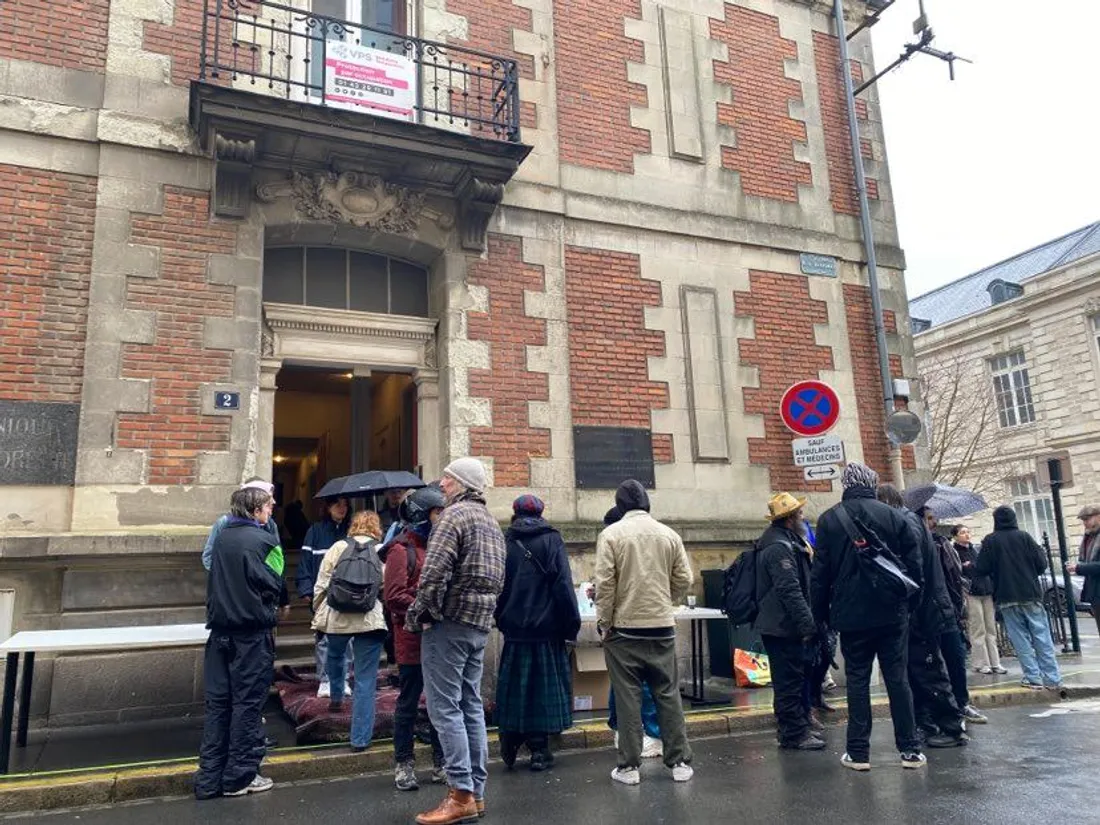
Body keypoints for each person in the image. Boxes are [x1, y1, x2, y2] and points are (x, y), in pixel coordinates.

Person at [405, 458, 505, 825]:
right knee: (470, 707)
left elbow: (434, 574)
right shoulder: (491, 522)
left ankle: (460, 793)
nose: (442, 485)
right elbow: (499, 578)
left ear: (461, 483)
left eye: (447, 479)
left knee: (445, 708)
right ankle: (475, 793)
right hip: (479, 624)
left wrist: (419, 615)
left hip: (449, 622)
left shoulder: (453, 516)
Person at [811, 463, 924, 772]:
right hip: (892, 611)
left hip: (851, 614)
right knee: (897, 679)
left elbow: (820, 576)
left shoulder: (829, 520)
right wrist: (910, 605)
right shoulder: (895, 516)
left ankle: (858, 752)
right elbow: (915, 569)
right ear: (873, 483)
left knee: (858, 680)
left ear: (845, 485)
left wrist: (818, 616)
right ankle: (910, 750)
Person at [595, 479, 694, 786]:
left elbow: (605, 585)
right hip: (662, 626)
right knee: (667, 693)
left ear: (619, 505)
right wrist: (669, 602)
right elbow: (684, 579)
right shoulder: (669, 535)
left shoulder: (611, 535)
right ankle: (678, 762)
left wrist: (605, 621)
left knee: (627, 698)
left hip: (624, 629)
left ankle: (629, 767)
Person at [194, 486, 284, 799]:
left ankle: (208, 780)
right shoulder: (265, 540)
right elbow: (276, 580)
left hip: (219, 633)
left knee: (219, 705)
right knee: (247, 705)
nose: (271, 511)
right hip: (251, 634)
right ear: (257, 511)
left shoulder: (221, 539)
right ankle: (239, 777)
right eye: (268, 507)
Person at [877, 484, 969, 748]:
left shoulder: (908, 525)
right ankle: (929, 723)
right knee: (919, 670)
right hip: (924, 607)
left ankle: (952, 727)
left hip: (922, 610)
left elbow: (914, 571)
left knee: (929, 669)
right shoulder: (910, 522)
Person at [494, 495, 582, 772]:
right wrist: (571, 624)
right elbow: (564, 586)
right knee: (542, 690)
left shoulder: (505, 541)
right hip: (546, 628)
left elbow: (497, 585)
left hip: (515, 627)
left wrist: (501, 617)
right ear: (541, 513)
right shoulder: (551, 539)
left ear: (515, 513)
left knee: (517, 687)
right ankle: (540, 750)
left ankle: (511, 734)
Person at [384, 485, 448, 791]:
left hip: (438, 638)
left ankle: (441, 761)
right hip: (411, 639)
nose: (442, 518)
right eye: (438, 512)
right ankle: (404, 763)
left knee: (440, 703)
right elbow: (394, 596)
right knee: (408, 703)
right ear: (423, 515)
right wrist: (428, 606)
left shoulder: (439, 546)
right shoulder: (400, 550)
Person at [311, 510, 387, 752]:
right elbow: (387, 585)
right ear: (376, 527)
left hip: (337, 617)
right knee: (366, 680)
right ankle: (360, 739)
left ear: (353, 526)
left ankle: (335, 696)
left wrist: (318, 611)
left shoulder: (337, 547)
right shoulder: (382, 550)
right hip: (369, 619)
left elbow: (322, 583)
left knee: (335, 658)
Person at [754, 493, 824, 751]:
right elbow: (789, 590)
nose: (803, 518)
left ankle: (795, 728)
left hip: (784, 625)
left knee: (793, 678)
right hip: (783, 627)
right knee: (788, 681)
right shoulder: (777, 547)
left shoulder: (786, 541)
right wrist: (807, 624)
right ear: (789, 519)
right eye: (800, 515)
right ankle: (793, 733)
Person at [975, 506, 1062, 690]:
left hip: (1006, 595)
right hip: (1030, 593)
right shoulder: (1025, 537)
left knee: (1020, 639)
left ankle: (1033, 677)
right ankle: (1052, 678)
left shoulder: (991, 541)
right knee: (1042, 637)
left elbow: (981, 568)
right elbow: (1041, 564)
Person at [601, 506, 663, 757]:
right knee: (626, 681)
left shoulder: (619, 542)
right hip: (638, 621)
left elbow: (609, 585)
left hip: (629, 623)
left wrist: (604, 621)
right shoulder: (649, 540)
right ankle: (626, 730)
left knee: (639, 682)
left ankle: (648, 734)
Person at [918, 507, 985, 725]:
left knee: (955, 658)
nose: (933, 522)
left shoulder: (942, 544)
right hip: (927, 612)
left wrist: (958, 606)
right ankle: (938, 711)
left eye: (933, 517)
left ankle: (961, 702)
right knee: (932, 666)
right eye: (929, 518)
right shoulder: (916, 544)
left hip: (948, 609)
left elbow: (955, 576)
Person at [297, 497, 351, 698]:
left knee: (347, 639)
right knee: (324, 639)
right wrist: (305, 590)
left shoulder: (350, 531)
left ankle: (343, 678)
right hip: (323, 593)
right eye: (337, 504)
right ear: (328, 507)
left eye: (345, 505)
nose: (342, 509)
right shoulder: (316, 531)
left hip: (347, 593)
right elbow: (305, 562)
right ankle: (326, 679)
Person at [954, 525, 1005, 675]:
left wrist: (973, 566)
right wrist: (972, 567)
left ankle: (995, 662)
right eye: (962, 532)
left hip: (986, 590)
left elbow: (984, 567)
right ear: (956, 536)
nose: (966, 535)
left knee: (990, 627)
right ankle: (981, 663)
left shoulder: (976, 549)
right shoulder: (955, 551)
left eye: (968, 531)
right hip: (971, 592)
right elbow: (961, 570)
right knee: (977, 628)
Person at [202, 478, 280, 571]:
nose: (274, 501)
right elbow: (208, 557)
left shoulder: (270, 524)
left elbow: (276, 556)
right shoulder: (225, 522)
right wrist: (225, 577)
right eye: (269, 498)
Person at [1071, 506, 1100, 637]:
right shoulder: (1089, 537)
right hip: (1095, 592)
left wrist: (1079, 568)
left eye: (1087, 519)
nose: (1085, 523)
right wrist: (1078, 567)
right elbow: (1085, 560)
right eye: (1083, 520)